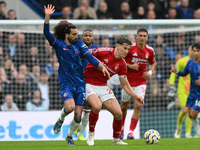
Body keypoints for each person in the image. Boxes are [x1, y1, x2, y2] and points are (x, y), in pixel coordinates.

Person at [43, 4, 109, 146]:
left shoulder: (80, 44)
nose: (77, 36)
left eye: (77, 34)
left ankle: (69, 136)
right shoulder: (58, 44)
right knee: (70, 107)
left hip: (81, 83)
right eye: (74, 34)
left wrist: (100, 66)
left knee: (78, 116)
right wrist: (47, 16)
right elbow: (47, 34)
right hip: (66, 82)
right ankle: (60, 120)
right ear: (67, 35)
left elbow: (89, 57)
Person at [84, 36, 144, 146]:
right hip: (89, 83)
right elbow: (85, 52)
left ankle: (116, 139)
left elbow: (125, 85)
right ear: (117, 46)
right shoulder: (104, 51)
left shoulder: (122, 64)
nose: (126, 51)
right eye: (124, 48)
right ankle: (91, 134)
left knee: (118, 113)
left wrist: (136, 96)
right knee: (97, 107)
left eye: (128, 49)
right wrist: (98, 64)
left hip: (103, 86)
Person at [119, 28, 156, 139]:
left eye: (144, 36)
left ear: (147, 37)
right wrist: (130, 66)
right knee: (124, 107)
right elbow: (120, 60)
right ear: (136, 37)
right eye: (140, 35)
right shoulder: (130, 48)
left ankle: (131, 131)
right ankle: (121, 129)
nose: (142, 38)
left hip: (141, 82)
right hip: (127, 82)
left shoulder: (150, 50)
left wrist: (149, 72)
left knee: (138, 105)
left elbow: (153, 63)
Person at [74, 29, 99, 140]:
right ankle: (75, 127)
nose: (87, 37)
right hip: (78, 81)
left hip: (91, 81)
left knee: (89, 107)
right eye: (85, 35)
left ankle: (80, 133)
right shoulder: (76, 47)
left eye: (90, 35)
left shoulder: (97, 49)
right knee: (78, 107)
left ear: (92, 38)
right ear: (82, 38)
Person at [171, 43, 200, 137]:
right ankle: (198, 133)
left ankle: (191, 133)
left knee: (194, 114)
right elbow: (184, 73)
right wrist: (177, 72)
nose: (195, 53)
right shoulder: (190, 62)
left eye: (198, 51)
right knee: (191, 114)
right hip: (191, 92)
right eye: (194, 50)